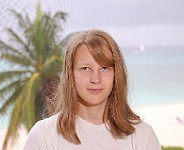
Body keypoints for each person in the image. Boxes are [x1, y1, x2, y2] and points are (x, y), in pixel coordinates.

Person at [23, 29, 161, 150]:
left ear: (116, 74)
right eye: (86, 68)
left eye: (104, 68)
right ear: (71, 74)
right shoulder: (43, 136)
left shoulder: (142, 135)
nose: (96, 79)